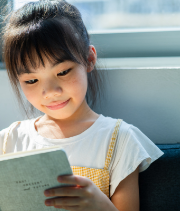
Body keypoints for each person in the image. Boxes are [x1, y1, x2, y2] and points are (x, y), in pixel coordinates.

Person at [0, 0, 164, 210]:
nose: (50, 92)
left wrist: (100, 205)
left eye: (62, 72)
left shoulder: (119, 140)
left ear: (89, 59)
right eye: (32, 81)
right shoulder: (8, 141)